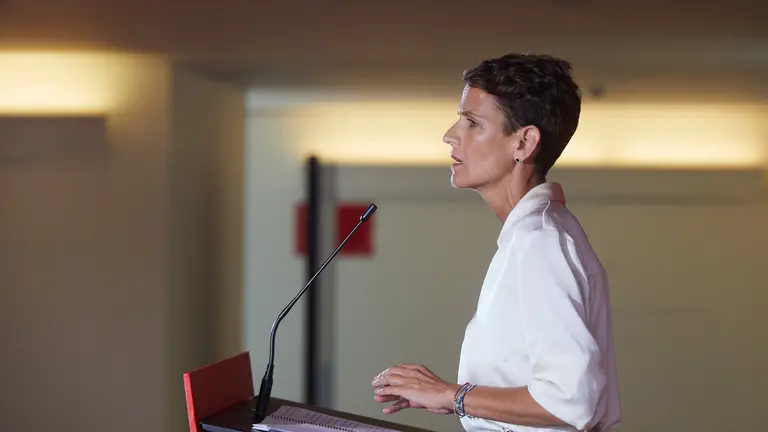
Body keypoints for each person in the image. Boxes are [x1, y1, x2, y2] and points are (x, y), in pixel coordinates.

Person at [371, 53, 621, 432]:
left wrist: (451, 394)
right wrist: (453, 398)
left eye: (472, 122)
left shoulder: (540, 241)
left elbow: (570, 398)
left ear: (523, 143)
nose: (450, 135)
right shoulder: (534, 234)